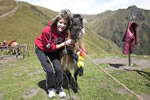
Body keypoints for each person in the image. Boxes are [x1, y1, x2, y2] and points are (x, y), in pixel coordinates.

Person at [34, 9, 74, 98]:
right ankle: (51, 89)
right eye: (60, 22)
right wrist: (64, 43)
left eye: (65, 24)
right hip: (41, 49)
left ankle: (60, 88)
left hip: (52, 50)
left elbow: (64, 42)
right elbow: (51, 47)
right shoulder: (47, 31)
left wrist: (69, 43)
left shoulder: (65, 32)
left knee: (59, 69)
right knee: (49, 70)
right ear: (57, 21)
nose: (62, 25)